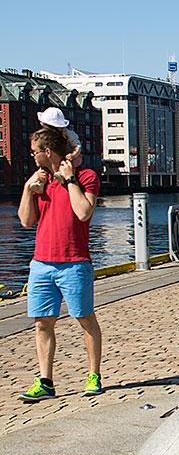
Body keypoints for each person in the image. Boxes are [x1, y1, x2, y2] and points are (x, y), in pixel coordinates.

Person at [18, 128, 102, 401]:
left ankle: (93, 376)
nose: (32, 157)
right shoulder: (41, 182)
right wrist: (28, 189)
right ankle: (45, 381)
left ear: (47, 152)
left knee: (85, 318)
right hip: (41, 263)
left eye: (34, 152)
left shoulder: (86, 177)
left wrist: (69, 181)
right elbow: (26, 221)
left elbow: (83, 212)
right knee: (42, 324)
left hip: (74, 262)